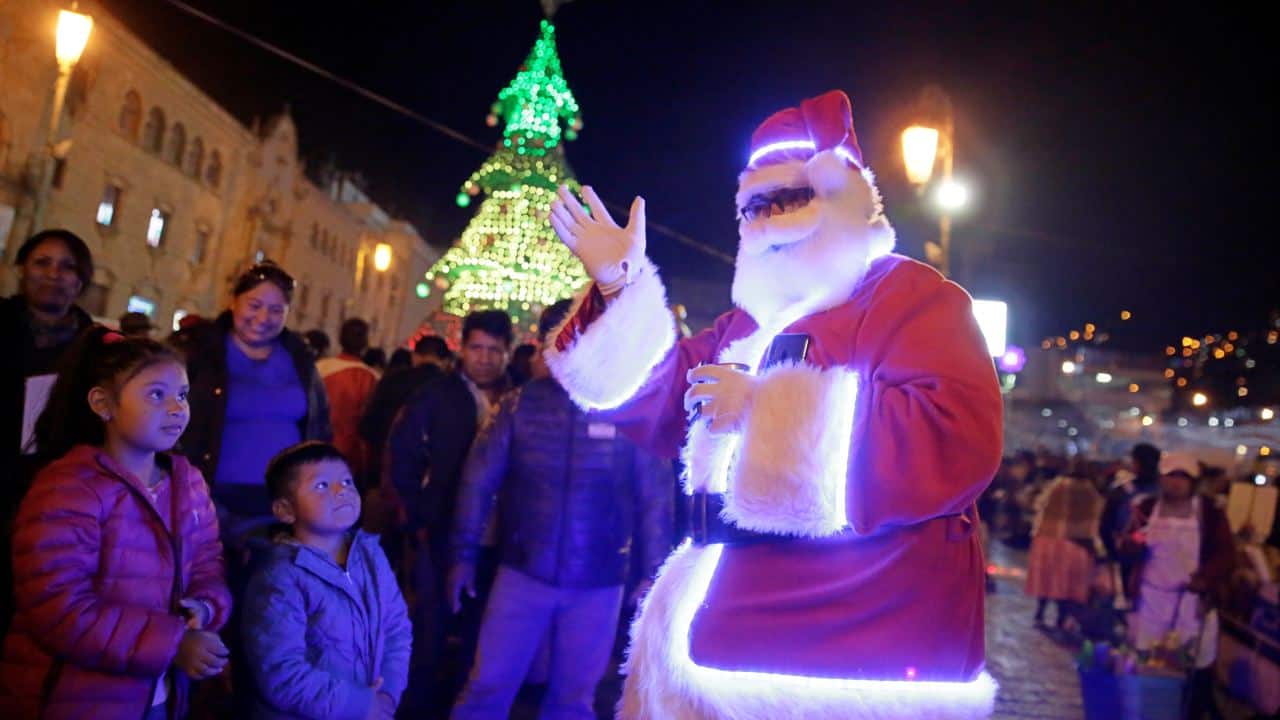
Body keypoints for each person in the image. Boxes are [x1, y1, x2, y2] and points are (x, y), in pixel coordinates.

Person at [546, 90, 1002, 718]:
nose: (769, 219)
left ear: (848, 197)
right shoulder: (750, 320)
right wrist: (620, 282)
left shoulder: (912, 297)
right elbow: (658, 394)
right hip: (723, 645)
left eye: (791, 200)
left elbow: (956, 438)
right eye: (756, 205)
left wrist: (764, 411)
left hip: (856, 654)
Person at [447, 300, 673, 719]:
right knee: (488, 686)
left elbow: (655, 496)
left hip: (599, 579)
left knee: (572, 699)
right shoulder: (520, 405)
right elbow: (477, 483)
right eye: (561, 338)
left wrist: (654, 573)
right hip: (523, 572)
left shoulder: (628, 406)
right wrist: (462, 556)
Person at [0, 327, 232, 719]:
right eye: (156, 395)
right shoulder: (69, 488)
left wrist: (205, 608)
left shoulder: (187, 482)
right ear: (103, 404)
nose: (177, 409)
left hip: (159, 696)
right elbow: (59, 608)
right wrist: (173, 643)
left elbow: (209, 562)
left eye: (182, 394)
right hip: (75, 698)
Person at [179, 261, 330, 710]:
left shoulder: (299, 358)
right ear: (234, 301)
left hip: (277, 512)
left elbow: (318, 428)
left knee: (266, 616)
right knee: (202, 609)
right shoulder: (202, 352)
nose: (263, 317)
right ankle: (194, 700)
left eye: (276, 309)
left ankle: (251, 700)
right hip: (208, 504)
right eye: (255, 305)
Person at [387, 310, 512, 715]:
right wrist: (418, 516)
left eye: (495, 350)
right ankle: (419, 707)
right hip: (440, 529)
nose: (485, 358)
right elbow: (403, 456)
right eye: (477, 347)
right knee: (431, 628)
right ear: (462, 348)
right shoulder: (437, 394)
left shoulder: (518, 399)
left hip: (498, 537)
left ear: (507, 353)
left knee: (482, 635)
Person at [241, 442, 411, 720]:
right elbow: (281, 672)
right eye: (321, 486)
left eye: (346, 481)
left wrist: (388, 694)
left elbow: (396, 628)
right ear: (285, 510)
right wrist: (360, 706)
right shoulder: (280, 576)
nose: (341, 490)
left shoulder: (371, 554)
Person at [0, 228, 95, 636]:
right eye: (43, 262)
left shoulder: (95, 348)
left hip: (53, 496)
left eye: (67, 266)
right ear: (22, 268)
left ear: (81, 280)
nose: (54, 274)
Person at [1122, 451, 1234, 719]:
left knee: (1193, 666)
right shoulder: (1147, 508)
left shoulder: (1210, 514)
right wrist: (1133, 544)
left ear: (1193, 481)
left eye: (1183, 477)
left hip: (1191, 603)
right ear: (1162, 478)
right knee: (1147, 661)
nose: (1176, 483)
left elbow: (1226, 554)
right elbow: (1127, 546)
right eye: (1171, 476)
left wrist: (1205, 578)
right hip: (1150, 598)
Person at [1024, 456, 1104, 630]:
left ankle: (1040, 613)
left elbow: (1040, 505)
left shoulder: (1058, 484)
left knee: (1046, 580)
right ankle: (1060, 618)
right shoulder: (1091, 491)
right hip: (1075, 543)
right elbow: (1093, 519)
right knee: (1065, 585)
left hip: (1048, 538)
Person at [317, 318, 380, 483]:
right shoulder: (369, 377)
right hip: (349, 455)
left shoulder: (320, 368)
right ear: (365, 342)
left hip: (314, 448)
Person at [1100, 442, 1161, 595]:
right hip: (1153, 555)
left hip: (1129, 553)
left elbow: (1105, 525)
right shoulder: (1166, 492)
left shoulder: (1121, 490)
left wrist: (1112, 551)